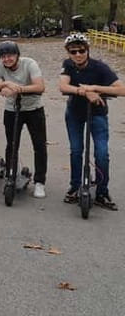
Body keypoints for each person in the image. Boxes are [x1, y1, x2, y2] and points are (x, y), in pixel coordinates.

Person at [58, 32, 125, 210]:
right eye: (73, 52)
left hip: (97, 114)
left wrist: (95, 88)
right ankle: (74, 187)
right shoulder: (68, 65)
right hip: (75, 113)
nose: (78, 55)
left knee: (102, 153)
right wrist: (85, 92)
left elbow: (121, 89)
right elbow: (63, 86)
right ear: (68, 53)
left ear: (88, 50)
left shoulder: (100, 67)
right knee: (76, 150)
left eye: (81, 50)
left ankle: (102, 192)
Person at [0, 41, 48, 198]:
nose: (7, 59)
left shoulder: (29, 64)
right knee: (12, 144)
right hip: (12, 110)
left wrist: (17, 89)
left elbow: (40, 87)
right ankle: (10, 174)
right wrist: (6, 83)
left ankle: (40, 182)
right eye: (3, 57)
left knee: (39, 145)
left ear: (17, 55)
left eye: (10, 55)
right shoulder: (0, 67)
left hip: (34, 109)